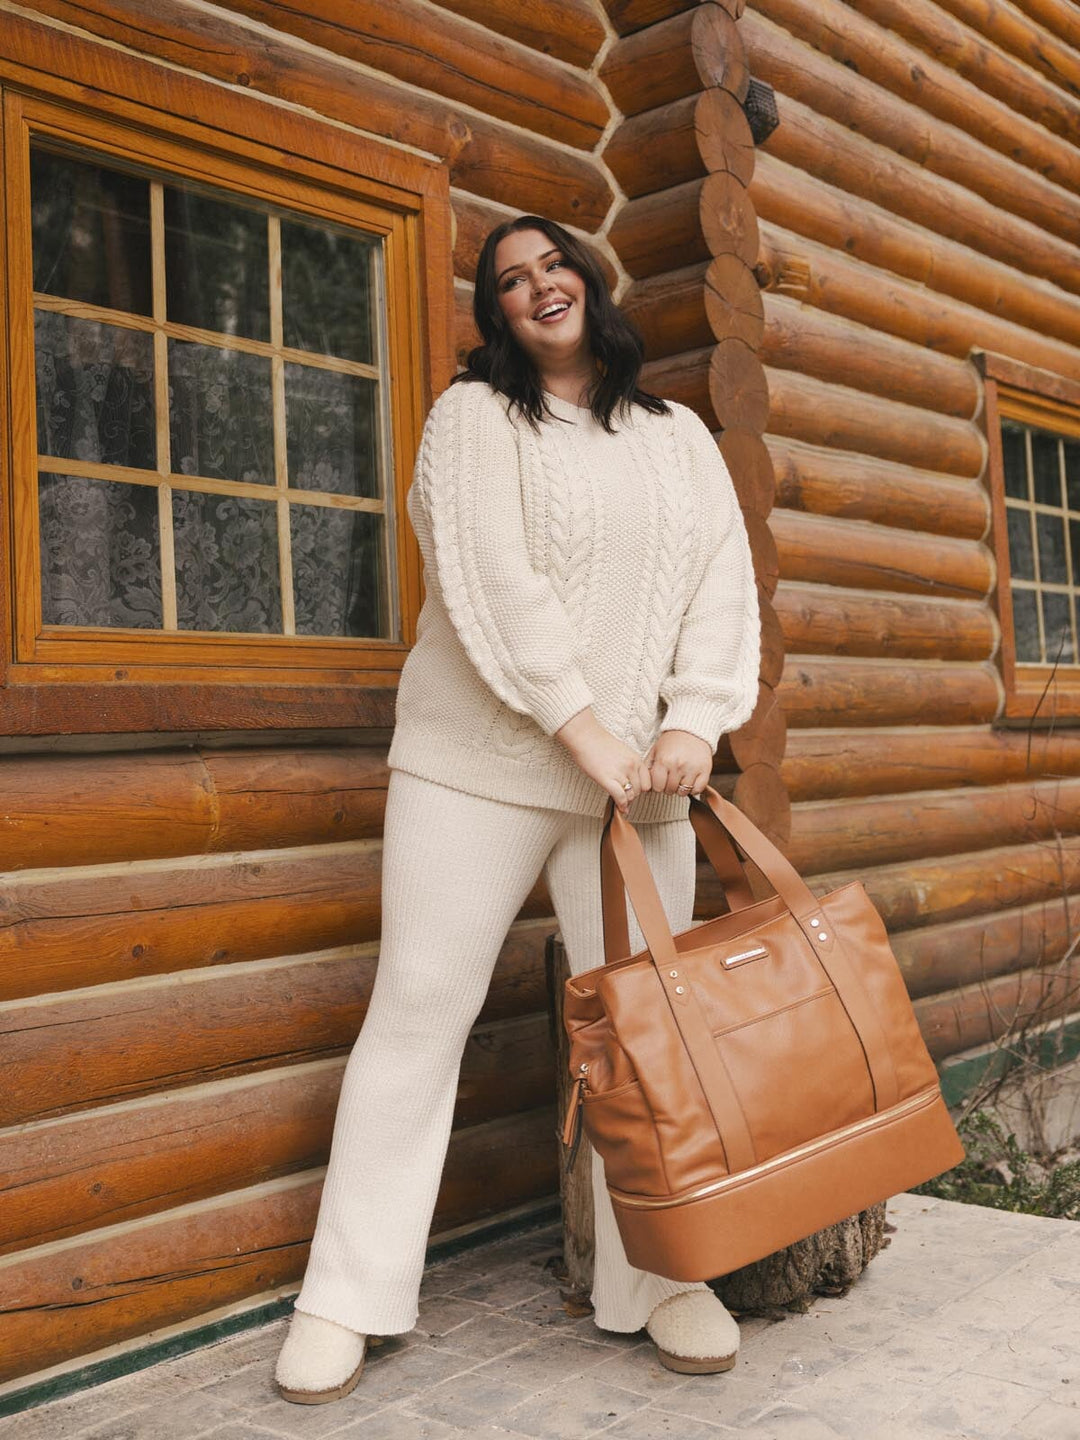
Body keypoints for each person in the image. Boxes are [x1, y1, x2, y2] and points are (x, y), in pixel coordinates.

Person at [273, 214, 761, 1405]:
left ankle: (661, 1282)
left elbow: (722, 579)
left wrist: (695, 720)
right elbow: (493, 582)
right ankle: (347, 1294)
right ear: (496, 314)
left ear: (590, 284)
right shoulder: (472, 422)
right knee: (419, 1014)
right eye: (511, 281)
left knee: (647, 1030)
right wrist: (588, 731)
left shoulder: (677, 435)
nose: (540, 287)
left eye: (556, 267)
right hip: (475, 768)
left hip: (637, 786)